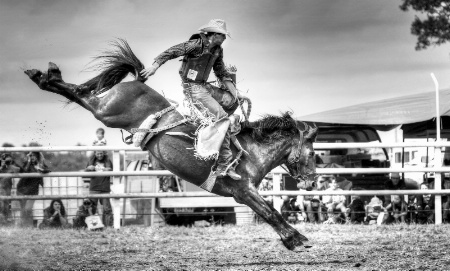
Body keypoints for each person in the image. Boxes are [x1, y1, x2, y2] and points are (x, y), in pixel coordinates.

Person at [140, 19, 242, 180]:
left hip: (203, 86)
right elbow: (172, 51)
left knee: (233, 101)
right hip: (193, 88)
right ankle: (224, 163)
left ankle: (219, 131)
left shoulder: (217, 50)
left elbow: (221, 71)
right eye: (223, 36)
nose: (224, 39)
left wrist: (236, 94)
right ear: (214, 35)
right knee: (222, 118)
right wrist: (154, 66)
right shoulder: (196, 44)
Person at [16, 151, 50, 227]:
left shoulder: (40, 165)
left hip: (33, 190)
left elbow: (48, 169)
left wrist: (40, 170)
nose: (32, 157)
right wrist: (28, 161)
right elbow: (24, 171)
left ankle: (29, 226)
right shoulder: (26, 163)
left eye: (34, 156)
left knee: (28, 209)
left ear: (38, 157)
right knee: (23, 210)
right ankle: (24, 227)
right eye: (31, 156)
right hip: (22, 189)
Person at [86, 150, 113, 227]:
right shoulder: (91, 160)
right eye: (98, 153)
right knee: (91, 208)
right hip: (94, 188)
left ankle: (108, 227)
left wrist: (104, 169)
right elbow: (86, 171)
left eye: (101, 153)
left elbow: (110, 169)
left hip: (104, 187)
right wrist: (89, 168)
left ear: (103, 153)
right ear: (95, 153)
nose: (100, 155)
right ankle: (92, 227)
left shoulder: (107, 160)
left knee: (107, 209)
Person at [0, 153, 21, 224]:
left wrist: (12, 163)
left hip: (7, 190)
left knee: (6, 206)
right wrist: (1, 166)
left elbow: (19, 170)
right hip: (2, 189)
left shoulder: (10, 167)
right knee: (2, 205)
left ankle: (5, 222)